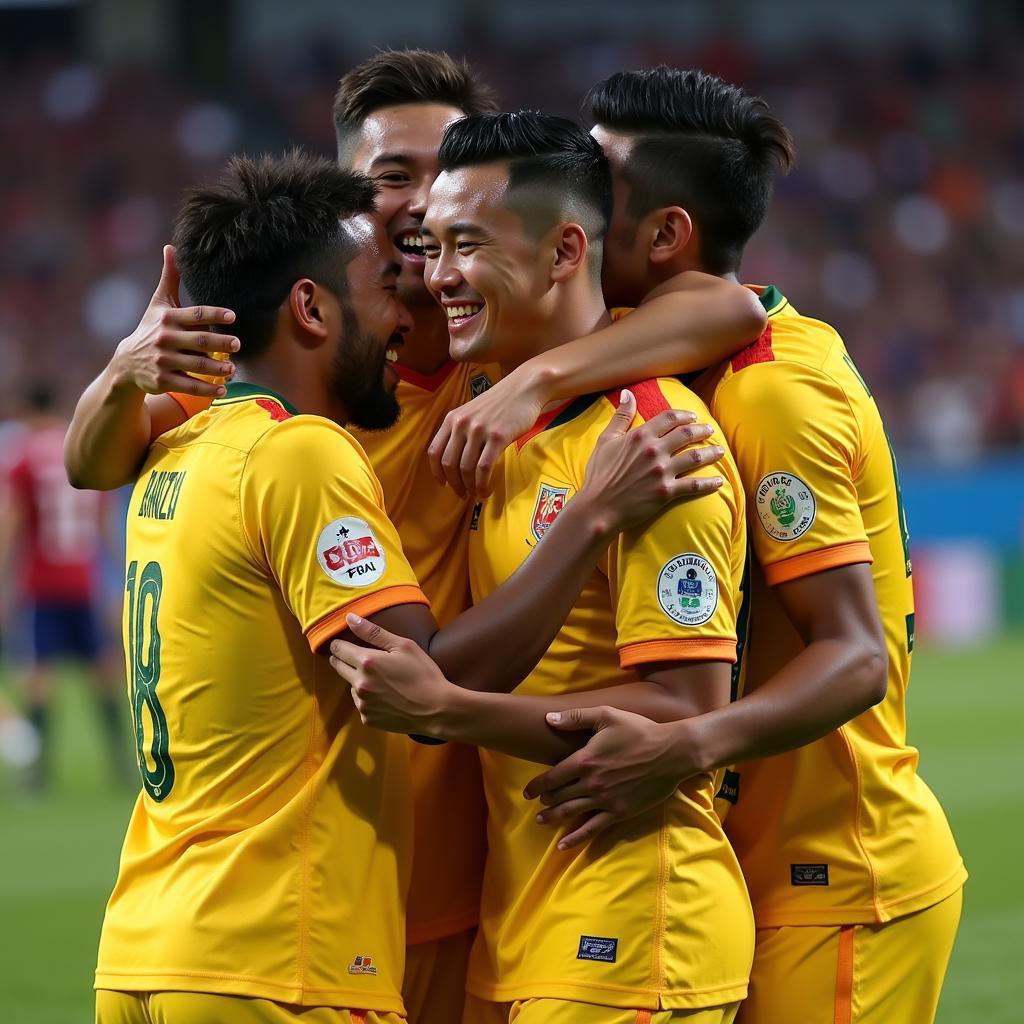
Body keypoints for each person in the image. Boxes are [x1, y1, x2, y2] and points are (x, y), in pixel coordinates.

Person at [65, 49, 765, 1024]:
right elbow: (89, 460)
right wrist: (123, 370)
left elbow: (728, 303)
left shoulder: (506, 372)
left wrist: (540, 380)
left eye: (441, 179)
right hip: (320, 908)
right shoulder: (296, 399)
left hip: (468, 890)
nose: (418, 205)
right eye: (393, 175)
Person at [511, 68, 966, 1024]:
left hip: (835, 873)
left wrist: (686, 743)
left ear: (667, 235)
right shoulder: (667, 353)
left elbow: (854, 656)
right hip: (744, 863)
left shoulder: (772, 392)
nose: (572, 210)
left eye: (599, 191)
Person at [327, 111, 754, 1024]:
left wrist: (453, 713)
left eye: (466, 246)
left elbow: (684, 710)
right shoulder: (494, 407)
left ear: (566, 251)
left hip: (631, 920)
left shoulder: (653, 443)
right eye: (432, 247)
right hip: (520, 920)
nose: (438, 276)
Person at [0, 382, 124, 790]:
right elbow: (104, 518)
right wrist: (120, 571)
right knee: (105, 670)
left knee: (38, 675)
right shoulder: (79, 444)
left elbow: (13, 520)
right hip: (84, 579)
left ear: (25, 408)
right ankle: (123, 763)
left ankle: (38, 774)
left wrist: (5, 577)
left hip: (42, 583)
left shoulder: (23, 457)